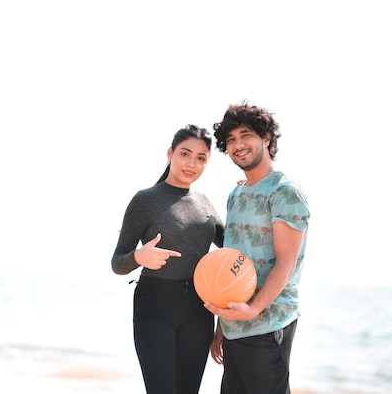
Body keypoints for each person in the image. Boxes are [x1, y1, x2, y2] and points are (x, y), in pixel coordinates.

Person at [111, 124, 225, 394]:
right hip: (155, 308)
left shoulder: (205, 203)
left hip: (198, 311)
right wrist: (140, 256)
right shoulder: (145, 200)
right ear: (170, 153)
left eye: (201, 158)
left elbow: (233, 248)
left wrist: (249, 194)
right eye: (185, 154)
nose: (191, 163)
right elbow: (117, 263)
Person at [206, 101, 311, 394]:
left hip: (268, 326)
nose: (238, 144)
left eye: (246, 135)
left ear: (266, 138)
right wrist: (222, 326)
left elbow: (286, 263)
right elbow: (230, 265)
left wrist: (252, 308)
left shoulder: (284, 192)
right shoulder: (235, 195)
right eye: (231, 140)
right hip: (234, 327)